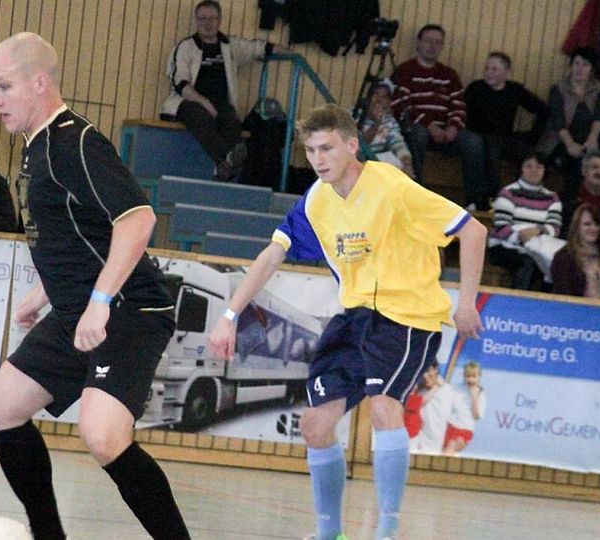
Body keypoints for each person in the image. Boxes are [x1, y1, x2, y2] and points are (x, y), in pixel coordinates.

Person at [207, 104, 486, 540]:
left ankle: (386, 532)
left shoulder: (391, 186)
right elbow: (272, 256)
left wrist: (466, 302)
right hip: (356, 318)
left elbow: (473, 230)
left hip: (406, 316)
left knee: (385, 408)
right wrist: (229, 316)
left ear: (353, 145)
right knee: (314, 425)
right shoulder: (316, 201)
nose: (318, 159)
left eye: (327, 148)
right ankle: (329, 534)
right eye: (311, 150)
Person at [0, 32, 191, 540]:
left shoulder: (75, 142)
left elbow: (137, 219)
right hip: (78, 311)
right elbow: (81, 231)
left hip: (129, 309)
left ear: (39, 82)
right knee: (0, 411)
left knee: (103, 434)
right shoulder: (36, 147)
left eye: (3, 87)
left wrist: (99, 301)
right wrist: (48, 292)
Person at [161, 0, 289, 181]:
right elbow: (180, 83)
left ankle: (224, 167)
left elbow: (258, 48)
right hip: (188, 102)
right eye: (203, 18)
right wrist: (204, 102)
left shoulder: (230, 46)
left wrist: (287, 52)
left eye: (212, 18)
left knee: (232, 123)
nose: (207, 23)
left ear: (219, 20)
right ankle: (226, 163)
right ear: (196, 21)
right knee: (202, 118)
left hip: (221, 103)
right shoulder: (185, 47)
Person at [391, 24, 487, 210]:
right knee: (418, 134)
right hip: (418, 128)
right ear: (418, 43)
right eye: (428, 41)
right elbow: (402, 106)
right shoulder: (404, 70)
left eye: (437, 42)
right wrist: (429, 126)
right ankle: (415, 192)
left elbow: (459, 104)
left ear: (442, 46)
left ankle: (475, 200)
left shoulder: (449, 74)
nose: (432, 46)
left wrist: (453, 126)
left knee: (473, 141)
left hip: (446, 130)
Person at [464, 52, 549, 192]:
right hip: (479, 138)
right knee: (492, 149)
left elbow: (543, 110)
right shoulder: (475, 88)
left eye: (494, 69)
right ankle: (491, 196)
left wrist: (532, 136)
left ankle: (522, 194)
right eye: (487, 68)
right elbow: (461, 113)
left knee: (531, 155)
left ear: (507, 73)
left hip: (505, 138)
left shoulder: (514, 90)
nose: (489, 72)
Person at [538, 47, 600, 199]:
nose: (580, 68)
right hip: (562, 138)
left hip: (589, 137)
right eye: (576, 63)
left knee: (596, 154)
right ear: (571, 65)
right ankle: (569, 200)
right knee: (576, 161)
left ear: (592, 69)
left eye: (585, 64)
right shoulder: (558, 89)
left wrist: (592, 139)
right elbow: (558, 121)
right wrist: (570, 144)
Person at [487, 153, 563, 289]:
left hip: (538, 246)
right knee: (528, 262)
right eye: (529, 166)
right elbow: (501, 227)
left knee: (557, 264)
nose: (534, 170)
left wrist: (538, 230)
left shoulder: (552, 198)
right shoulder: (508, 193)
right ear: (521, 169)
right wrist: (521, 237)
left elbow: (554, 228)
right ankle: (518, 298)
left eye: (539, 167)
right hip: (505, 245)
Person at [551, 204, 600, 299]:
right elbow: (563, 293)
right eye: (587, 224)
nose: (593, 228)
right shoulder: (563, 257)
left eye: (597, 224)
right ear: (576, 227)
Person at [360, 80, 414, 177]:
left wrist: (406, 162)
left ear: (388, 102)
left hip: (378, 159)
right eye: (375, 94)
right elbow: (362, 144)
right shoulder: (355, 115)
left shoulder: (389, 121)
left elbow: (397, 142)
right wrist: (377, 123)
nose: (378, 100)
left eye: (384, 97)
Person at [443, 361, 486, 456]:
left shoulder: (481, 394)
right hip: (450, 424)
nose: (471, 380)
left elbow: (476, 416)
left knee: (450, 448)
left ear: (479, 377)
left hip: (465, 429)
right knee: (443, 450)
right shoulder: (456, 388)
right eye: (468, 376)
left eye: (474, 376)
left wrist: (474, 398)